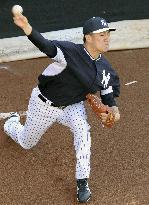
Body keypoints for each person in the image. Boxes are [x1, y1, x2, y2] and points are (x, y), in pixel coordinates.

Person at [4, 14, 120, 203]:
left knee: (83, 131)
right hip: (44, 104)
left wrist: (114, 113)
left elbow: (109, 97)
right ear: (88, 37)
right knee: (26, 142)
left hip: (72, 106)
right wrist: (27, 27)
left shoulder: (106, 69)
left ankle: (82, 182)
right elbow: (46, 46)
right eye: (101, 34)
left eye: (107, 33)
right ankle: (11, 123)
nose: (106, 37)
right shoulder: (70, 52)